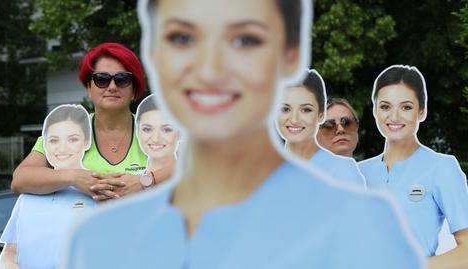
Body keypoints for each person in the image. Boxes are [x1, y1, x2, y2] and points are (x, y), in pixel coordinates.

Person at [62, 1, 425, 268]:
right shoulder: (100, 243)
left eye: (246, 40)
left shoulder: (364, 226)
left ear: (289, 57)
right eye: (183, 38)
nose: (211, 67)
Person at [10, 42, 172, 203]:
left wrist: (145, 181)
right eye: (102, 79)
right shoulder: (66, 129)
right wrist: (73, 177)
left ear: (134, 89)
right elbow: (19, 180)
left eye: (122, 79)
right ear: (88, 87)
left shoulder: (160, 127)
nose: (112, 86)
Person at [358, 65, 468, 268]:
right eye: (385, 106)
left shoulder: (441, 167)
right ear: (374, 110)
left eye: (406, 107)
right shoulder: (358, 172)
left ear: (422, 112)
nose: (394, 116)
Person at [0, 105, 97, 269]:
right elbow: (9, 253)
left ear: (86, 142)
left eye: (72, 139)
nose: (62, 148)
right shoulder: (26, 198)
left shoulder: (97, 193)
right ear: (45, 145)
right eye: (53, 140)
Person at [276, 69, 365, 187]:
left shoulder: (343, 171)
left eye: (306, 110)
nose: (294, 120)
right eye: (285, 109)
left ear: (321, 115)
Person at [135, 94, 179, 188]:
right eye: (147, 129)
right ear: (138, 132)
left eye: (167, 130)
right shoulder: (130, 185)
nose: (156, 138)